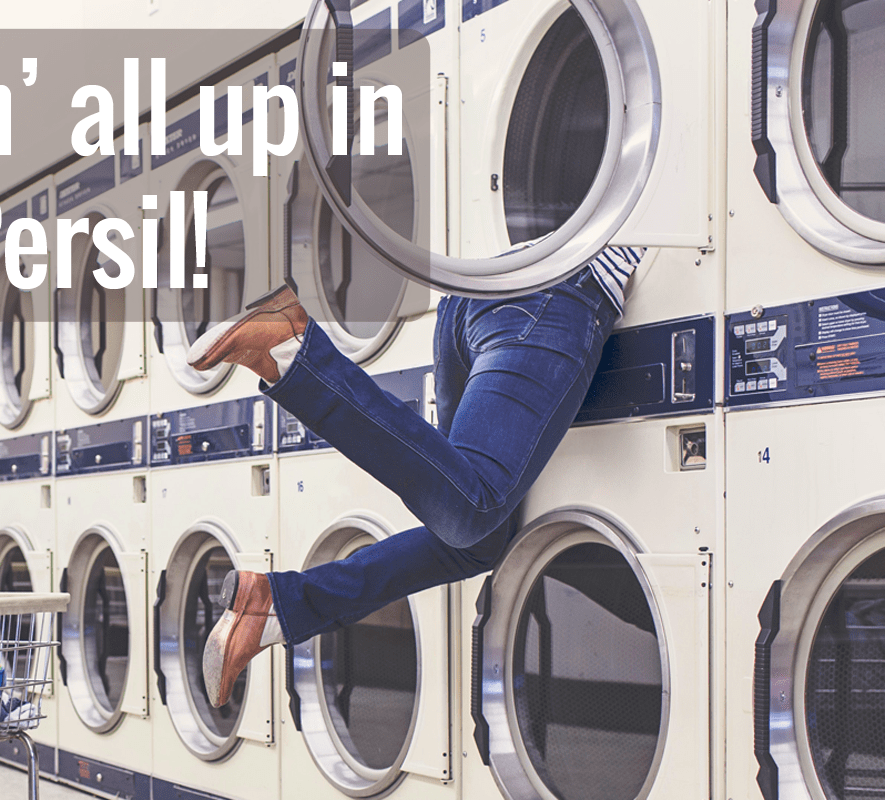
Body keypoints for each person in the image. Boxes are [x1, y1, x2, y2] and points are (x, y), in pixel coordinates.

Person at [187, 246, 644, 708]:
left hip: (474, 300)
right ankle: (293, 349)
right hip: (555, 299)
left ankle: (276, 606)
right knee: (471, 510)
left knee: (472, 541)